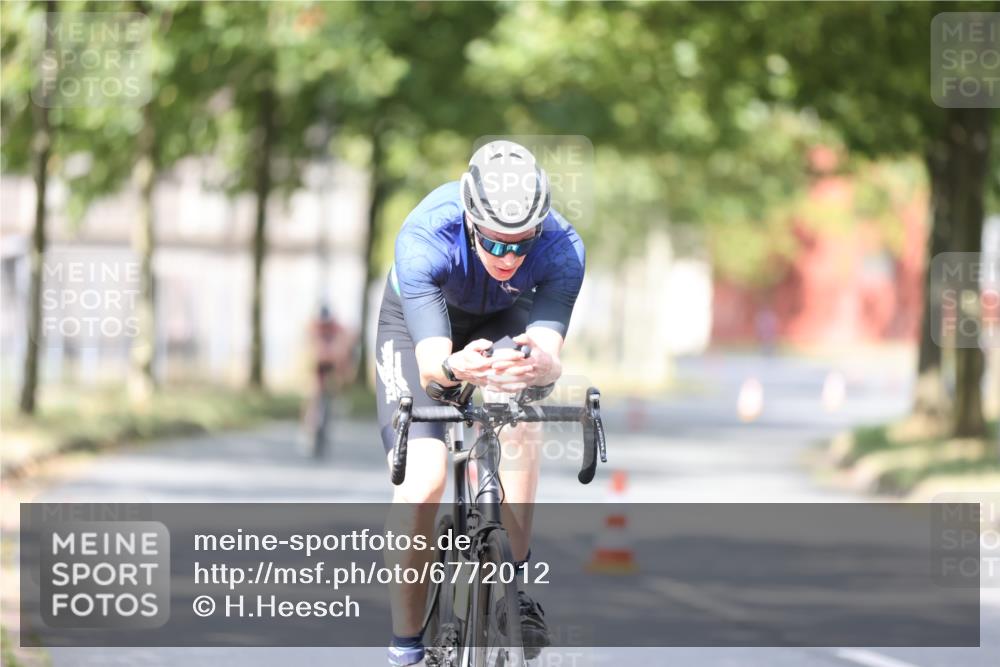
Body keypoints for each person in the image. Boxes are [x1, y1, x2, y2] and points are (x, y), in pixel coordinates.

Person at [375, 140, 586, 666]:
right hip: (420, 325)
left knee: (521, 408)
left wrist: (542, 369)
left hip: (503, 317)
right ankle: (406, 648)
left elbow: (548, 356)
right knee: (424, 483)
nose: (510, 256)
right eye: (495, 244)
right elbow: (432, 368)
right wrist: (454, 370)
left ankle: (512, 586)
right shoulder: (426, 235)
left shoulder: (562, 247)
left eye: (522, 244)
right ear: (470, 222)